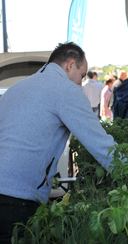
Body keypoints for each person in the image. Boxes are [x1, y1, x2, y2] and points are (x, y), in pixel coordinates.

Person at [0, 42, 119, 243]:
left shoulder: (16, 89)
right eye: (82, 76)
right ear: (69, 65)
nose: (81, 84)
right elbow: (100, 144)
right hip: (17, 200)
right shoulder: (66, 90)